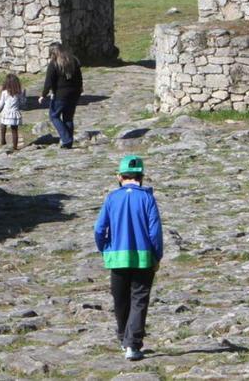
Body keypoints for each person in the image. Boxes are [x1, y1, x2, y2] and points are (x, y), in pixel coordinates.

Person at [94, 154, 163, 362]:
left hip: (117, 257)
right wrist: (157, 256)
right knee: (139, 300)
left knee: (121, 300)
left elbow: (99, 229)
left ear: (119, 176)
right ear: (141, 177)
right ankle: (132, 344)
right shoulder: (147, 198)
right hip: (143, 259)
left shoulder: (112, 198)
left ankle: (124, 337)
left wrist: (104, 248)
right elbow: (155, 232)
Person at [39, 42, 82, 149]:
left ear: (52, 53)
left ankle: (66, 139)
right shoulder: (73, 60)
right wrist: (80, 88)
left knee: (54, 116)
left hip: (60, 95)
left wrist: (43, 95)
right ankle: (68, 143)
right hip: (74, 93)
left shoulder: (54, 64)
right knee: (68, 118)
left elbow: (49, 81)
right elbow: (79, 77)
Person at [0, 73, 25, 151]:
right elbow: (22, 102)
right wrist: (24, 96)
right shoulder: (19, 93)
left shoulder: (5, 92)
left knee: (3, 125)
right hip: (14, 113)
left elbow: (1, 103)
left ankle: (3, 140)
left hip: (5, 113)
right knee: (14, 130)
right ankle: (15, 147)